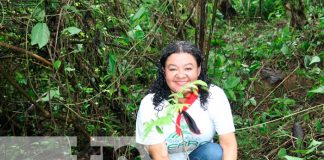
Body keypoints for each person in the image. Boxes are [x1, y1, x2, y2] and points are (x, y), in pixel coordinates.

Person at [136, 41, 237, 160]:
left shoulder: (214, 96)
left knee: (213, 152)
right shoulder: (150, 104)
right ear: (164, 71)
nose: (180, 75)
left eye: (188, 68)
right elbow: (160, 155)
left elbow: (228, 145)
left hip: (199, 156)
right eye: (173, 69)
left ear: (198, 70)